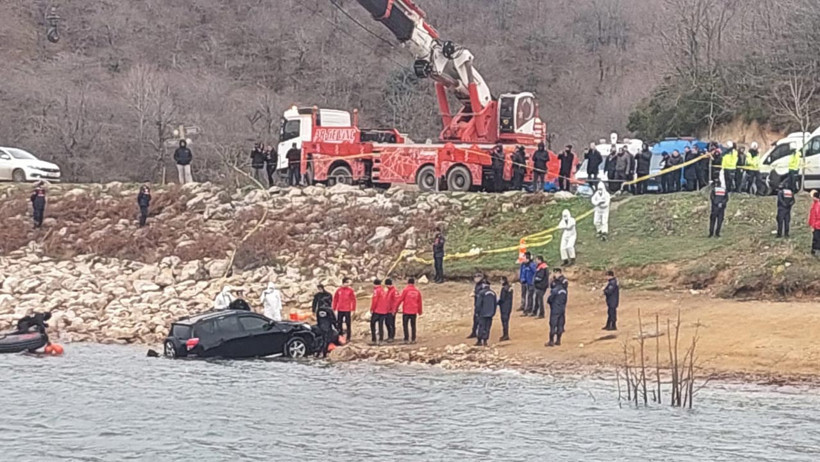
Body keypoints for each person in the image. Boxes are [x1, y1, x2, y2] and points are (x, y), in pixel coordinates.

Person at [546, 269, 568, 347]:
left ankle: (551, 341)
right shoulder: (564, 291)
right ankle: (558, 340)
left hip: (555, 309)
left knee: (553, 325)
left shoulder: (555, 290)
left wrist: (551, 303)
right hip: (562, 309)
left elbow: (550, 299)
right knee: (560, 325)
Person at [397, 277, 423, 344]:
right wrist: (420, 311)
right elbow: (419, 302)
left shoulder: (405, 290)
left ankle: (406, 338)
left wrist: (395, 308)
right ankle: (413, 338)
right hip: (414, 311)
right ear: (414, 283)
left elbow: (400, 299)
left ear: (408, 283)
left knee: (405, 325)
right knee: (413, 325)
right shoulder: (417, 291)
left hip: (406, 311)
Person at [475, 278, 497, 347]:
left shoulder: (481, 293)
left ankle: (479, 340)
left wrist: (477, 312)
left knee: (481, 326)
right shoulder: (493, 293)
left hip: (482, 313)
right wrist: (493, 312)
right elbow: (495, 304)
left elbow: (478, 304)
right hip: (490, 313)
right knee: (487, 327)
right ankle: (485, 340)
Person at [369, 279, 389, 345]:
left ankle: (374, 339)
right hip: (384, 310)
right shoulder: (384, 290)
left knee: (372, 324)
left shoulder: (376, 290)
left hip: (377, 310)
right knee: (381, 325)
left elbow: (375, 300)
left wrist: (372, 309)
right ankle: (381, 339)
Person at [498, 276, 513, 341]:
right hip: (509, 306)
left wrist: (496, 302)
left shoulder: (504, 289)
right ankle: (505, 334)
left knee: (504, 321)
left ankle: (505, 335)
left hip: (504, 307)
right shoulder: (509, 288)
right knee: (506, 321)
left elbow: (502, 299)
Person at [468, 273, 483, 338]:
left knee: (480, 320)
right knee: (475, 319)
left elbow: (482, 295)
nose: (475, 279)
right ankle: (474, 332)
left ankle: (480, 334)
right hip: (477, 304)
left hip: (481, 306)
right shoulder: (477, 285)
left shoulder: (482, 285)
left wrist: (475, 295)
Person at [384, 278, 398, 343]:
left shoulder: (394, 291)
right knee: (387, 323)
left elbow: (396, 301)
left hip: (391, 310)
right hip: (387, 310)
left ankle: (392, 336)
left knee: (391, 323)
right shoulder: (388, 291)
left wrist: (394, 310)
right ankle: (389, 336)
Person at [810, 190, 820, 256]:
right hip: (816, 224)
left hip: (817, 225)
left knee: (817, 238)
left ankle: (816, 250)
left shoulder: (817, 205)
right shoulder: (815, 204)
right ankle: (814, 249)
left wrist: (813, 225)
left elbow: (815, 216)